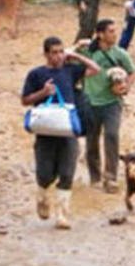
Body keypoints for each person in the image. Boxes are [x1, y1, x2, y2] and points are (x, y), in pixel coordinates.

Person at [21, 36, 101, 229]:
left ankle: (62, 215)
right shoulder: (36, 74)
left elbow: (95, 69)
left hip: (68, 130)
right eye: (54, 52)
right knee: (45, 173)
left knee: (67, 173)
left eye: (60, 52)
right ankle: (42, 196)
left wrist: (76, 56)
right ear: (46, 54)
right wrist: (44, 93)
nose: (58, 56)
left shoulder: (71, 71)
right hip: (46, 131)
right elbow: (25, 100)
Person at [85, 19, 135, 193]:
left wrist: (126, 88)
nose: (115, 35)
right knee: (91, 140)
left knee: (112, 136)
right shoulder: (88, 52)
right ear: (100, 34)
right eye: (111, 31)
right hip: (91, 102)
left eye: (115, 31)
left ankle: (111, 177)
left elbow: (132, 71)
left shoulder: (120, 54)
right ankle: (94, 176)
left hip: (112, 103)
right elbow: (68, 59)